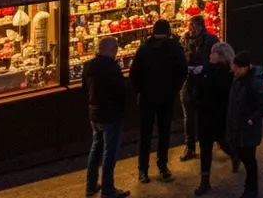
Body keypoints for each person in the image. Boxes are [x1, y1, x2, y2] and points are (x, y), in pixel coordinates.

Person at [128, 18, 187, 184]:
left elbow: (134, 74)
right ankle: (163, 166)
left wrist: (140, 91)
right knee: (164, 133)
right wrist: (174, 88)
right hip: (167, 97)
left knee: (145, 134)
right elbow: (182, 71)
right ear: (168, 31)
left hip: (147, 97)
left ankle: (143, 170)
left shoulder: (144, 48)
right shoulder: (175, 47)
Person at [84, 36, 131, 198]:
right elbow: (121, 91)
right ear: (112, 50)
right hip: (111, 114)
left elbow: (85, 87)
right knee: (110, 152)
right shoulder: (112, 68)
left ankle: (91, 185)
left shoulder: (89, 65)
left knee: (96, 148)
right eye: (115, 49)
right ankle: (108, 189)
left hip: (94, 113)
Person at [226, 51, 263, 198]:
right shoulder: (239, 79)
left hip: (248, 128)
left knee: (249, 158)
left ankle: (252, 189)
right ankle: (250, 186)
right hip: (239, 126)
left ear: (245, 67)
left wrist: (251, 119)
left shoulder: (254, 83)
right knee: (244, 155)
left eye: (236, 67)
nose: (234, 69)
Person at [192, 42, 235, 196]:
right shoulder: (206, 69)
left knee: (222, 141)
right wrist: (196, 101)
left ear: (221, 55)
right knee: (205, 148)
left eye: (213, 52)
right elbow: (198, 88)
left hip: (220, 115)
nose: (210, 55)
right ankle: (204, 182)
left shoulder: (229, 73)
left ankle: (234, 156)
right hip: (205, 115)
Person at [181, 14, 219, 163]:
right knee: (188, 117)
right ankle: (190, 146)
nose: (191, 29)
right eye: (189, 26)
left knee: (207, 114)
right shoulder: (184, 40)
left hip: (204, 81)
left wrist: (203, 68)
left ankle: (212, 141)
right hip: (188, 81)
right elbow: (181, 57)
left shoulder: (211, 40)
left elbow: (217, 61)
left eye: (194, 26)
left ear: (201, 26)